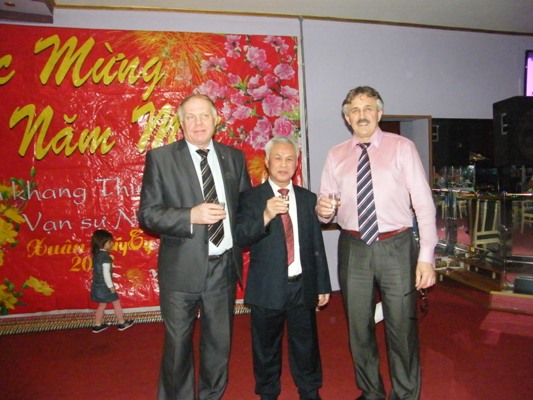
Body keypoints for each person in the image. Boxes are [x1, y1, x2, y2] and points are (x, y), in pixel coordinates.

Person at [316, 86, 438, 400]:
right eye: (354, 110)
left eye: (368, 108)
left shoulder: (402, 147)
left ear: (379, 113)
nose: (361, 115)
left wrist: (426, 256)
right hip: (353, 246)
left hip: (396, 245)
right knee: (359, 326)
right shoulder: (336, 155)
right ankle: (371, 391)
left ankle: (405, 393)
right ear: (347, 118)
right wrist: (323, 210)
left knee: (402, 325)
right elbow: (325, 206)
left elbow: (423, 203)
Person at [138, 93, 251, 400]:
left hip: (223, 268)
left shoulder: (234, 157)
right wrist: (190, 215)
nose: (198, 122)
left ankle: (212, 395)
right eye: (191, 116)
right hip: (181, 269)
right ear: (181, 122)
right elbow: (147, 214)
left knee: (219, 344)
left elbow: (246, 209)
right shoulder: (161, 158)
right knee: (178, 346)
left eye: (204, 115)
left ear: (216, 120)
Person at [235, 136, 332, 400]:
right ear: (267, 162)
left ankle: (309, 391)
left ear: (296, 163)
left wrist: (323, 284)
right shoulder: (251, 198)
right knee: (266, 347)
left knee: (306, 345)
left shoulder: (307, 198)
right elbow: (240, 237)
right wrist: (266, 215)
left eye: (289, 159)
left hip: (302, 284)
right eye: (277, 158)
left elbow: (316, 244)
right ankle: (267, 393)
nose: (283, 164)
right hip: (266, 287)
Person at [90, 229, 134, 333]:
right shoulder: (105, 258)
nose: (111, 244)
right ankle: (121, 322)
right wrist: (111, 287)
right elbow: (106, 274)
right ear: (101, 243)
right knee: (116, 302)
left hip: (97, 285)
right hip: (105, 286)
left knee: (102, 304)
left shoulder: (96, 255)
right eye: (109, 242)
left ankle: (97, 324)